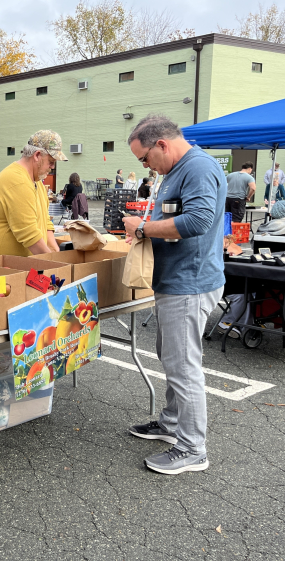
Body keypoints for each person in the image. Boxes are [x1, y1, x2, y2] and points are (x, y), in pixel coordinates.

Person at [122, 114, 225, 475]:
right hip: (177, 282)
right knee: (171, 357)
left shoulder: (197, 167)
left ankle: (193, 448)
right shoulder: (177, 170)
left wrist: (143, 229)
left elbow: (198, 221)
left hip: (189, 284)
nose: (146, 167)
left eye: (145, 159)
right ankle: (170, 425)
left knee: (183, 367)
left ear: (161, 144)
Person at [0, 130, 67, 257]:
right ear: (37, 155)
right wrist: (55, 263)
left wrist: (55, 252)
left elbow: (45, 221)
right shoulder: (18, 181)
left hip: (14, 268)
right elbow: (30, 236)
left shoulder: (37, 183)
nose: (53, 166)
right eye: (51, 161)